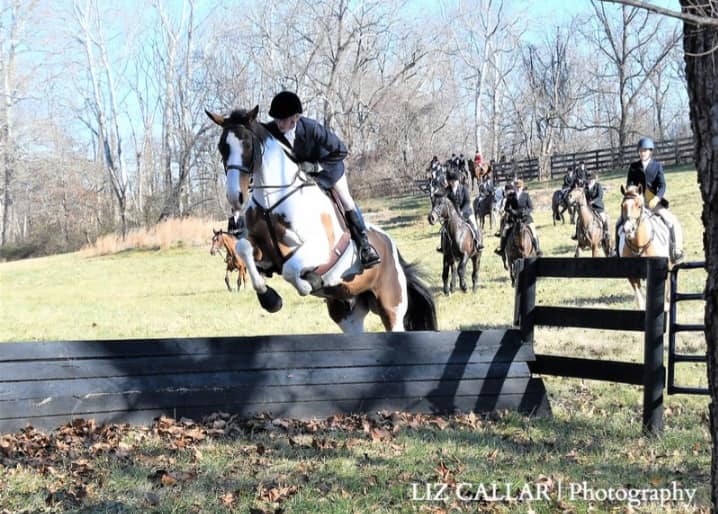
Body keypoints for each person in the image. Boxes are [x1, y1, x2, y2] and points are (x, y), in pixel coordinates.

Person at [267, 91, 381, 268]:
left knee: (345, 199)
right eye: (277, 119)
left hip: (328, 169)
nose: (279, 123)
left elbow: (341, 150)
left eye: (283, 119)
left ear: (295, 118)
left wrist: (316, 167)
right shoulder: (273, 130)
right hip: (302, 176)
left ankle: (364, 245)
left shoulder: (312, 128)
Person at [616, 136, 684, 262]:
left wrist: (657, 198)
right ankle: (616, 252)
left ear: (650, 151)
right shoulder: (634, 167)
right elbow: (629, 183)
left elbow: (662, 185)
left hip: (653, 202)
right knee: (619, 222)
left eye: (645, 151)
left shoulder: (657, 166)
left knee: (671, 221)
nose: (642, 153)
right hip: (637, 202)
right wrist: (633, 191)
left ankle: (676, 250)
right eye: (640, 151)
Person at [437, 169, 483, 253]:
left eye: (455, 181)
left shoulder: (464, 188)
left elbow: (468, 202)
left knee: (473, 224)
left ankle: (478, 243)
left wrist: (462, 212)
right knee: (444, 229)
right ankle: (442, 246)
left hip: (466, 212)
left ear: (458, 181)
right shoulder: (447, 190)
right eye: (451, 181)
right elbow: (443, 200)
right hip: (453, 215)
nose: (453, 183)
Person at [495, 179, 543, 257]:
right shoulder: (510, 196)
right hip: (513, 219)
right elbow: (506, 208)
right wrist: (512, 212)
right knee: (504, 231)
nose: (518, 188)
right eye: (516, 187)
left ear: (522, 187)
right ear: (514, 187)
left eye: (519, 187)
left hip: (526, 218)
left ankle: (537, 249)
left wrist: (525, 212)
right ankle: (502, 249)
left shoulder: (526, 195)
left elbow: (531, 207)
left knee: (533, 231)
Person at [571, 171, 608, 243]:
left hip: (598, 207)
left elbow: (600, 197)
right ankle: (577, 235)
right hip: (588, 208)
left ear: (594, 179)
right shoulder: (586, 188)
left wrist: (593, 202)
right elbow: (583, 196)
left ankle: (605, 233)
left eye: (591, 179)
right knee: (579, 219)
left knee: (603, 218)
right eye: (588, 179)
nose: (590, 181)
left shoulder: (598, 186)